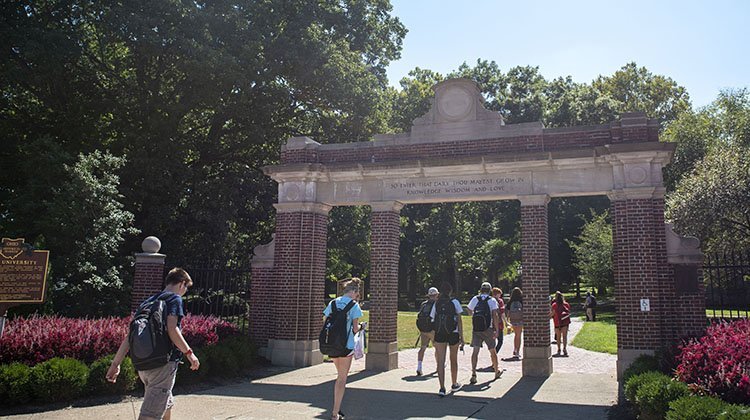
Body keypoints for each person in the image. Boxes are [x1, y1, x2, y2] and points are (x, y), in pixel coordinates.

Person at [106, 268, 200, 420]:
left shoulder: (147, 302)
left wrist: (116, 363)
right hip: (163, 364)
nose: (184, 292)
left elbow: (130, 336)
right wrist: (190, 353)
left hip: (144, 363)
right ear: (182, 284)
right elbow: (172, 329)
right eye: (186, 288)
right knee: (150, 415)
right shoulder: (174, 300)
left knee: (165, 402)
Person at [323, 278, 364, 420]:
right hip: (346, 346)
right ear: (353, 291)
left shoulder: (333, 303)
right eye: (357, 293)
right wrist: (362, 327)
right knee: (342, 379)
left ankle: (337, 409)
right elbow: (354, 329)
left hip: (332, 345)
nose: (356, 296)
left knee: (338, 376)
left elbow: (326, 321)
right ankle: (335, 413)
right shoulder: (354, 306)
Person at [430, 281, 464, 397]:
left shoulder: (437, 303)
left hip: (440, 333)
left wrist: (434, 336)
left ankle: (441, 387)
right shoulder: (455, 302)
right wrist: (461, 337)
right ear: (450, 291)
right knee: (453, 359)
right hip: (453, 333)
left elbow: (432, 319)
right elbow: (459, 320)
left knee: (440, 361)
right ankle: (454, 383)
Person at [467, 282, 502, 384]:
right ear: (490, 290)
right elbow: (495, 315)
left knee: (475, 351)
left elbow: (469, 310)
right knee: (492, 350)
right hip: (488, 328)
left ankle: (473, 373)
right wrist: (497, 330)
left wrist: (474, 316)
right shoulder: (492, 300)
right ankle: (496, 370)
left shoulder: (475, 299)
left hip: (477, 329)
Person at [416, 286, 440, 376]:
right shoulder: (437, 304)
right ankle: (438, 366)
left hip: (423, 330)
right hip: (432, 330)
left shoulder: (423, 304)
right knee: (437, 348)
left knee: (422, 348)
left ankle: (419, 367)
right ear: (436, 295)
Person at [550, 291, 572, 356]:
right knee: (564, 337)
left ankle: (559, 349)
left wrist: (547, 317)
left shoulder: (554, 305)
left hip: (557, 323)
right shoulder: (566, 304)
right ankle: (564, 349)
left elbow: (552, 314)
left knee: (558, 337)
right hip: (565, 323)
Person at [506, 287, 524, 359]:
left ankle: (515, 349)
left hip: (513, 320)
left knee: (515, 335)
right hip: (520, 320)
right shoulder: (522, 301)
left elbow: (507, 311)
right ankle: (517, 351)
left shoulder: (510, 301)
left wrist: (507, 321)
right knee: (518, 336)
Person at [491, 287, 506, 354]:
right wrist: (506, 322)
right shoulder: (500, 301)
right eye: (499, 294)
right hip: (499, 323)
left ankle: (493, 353)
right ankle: (494, 354)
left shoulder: (489, 300)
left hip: (490, 323)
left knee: (492, 341)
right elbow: (502, 313)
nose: (499, 296)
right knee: (500, 340)